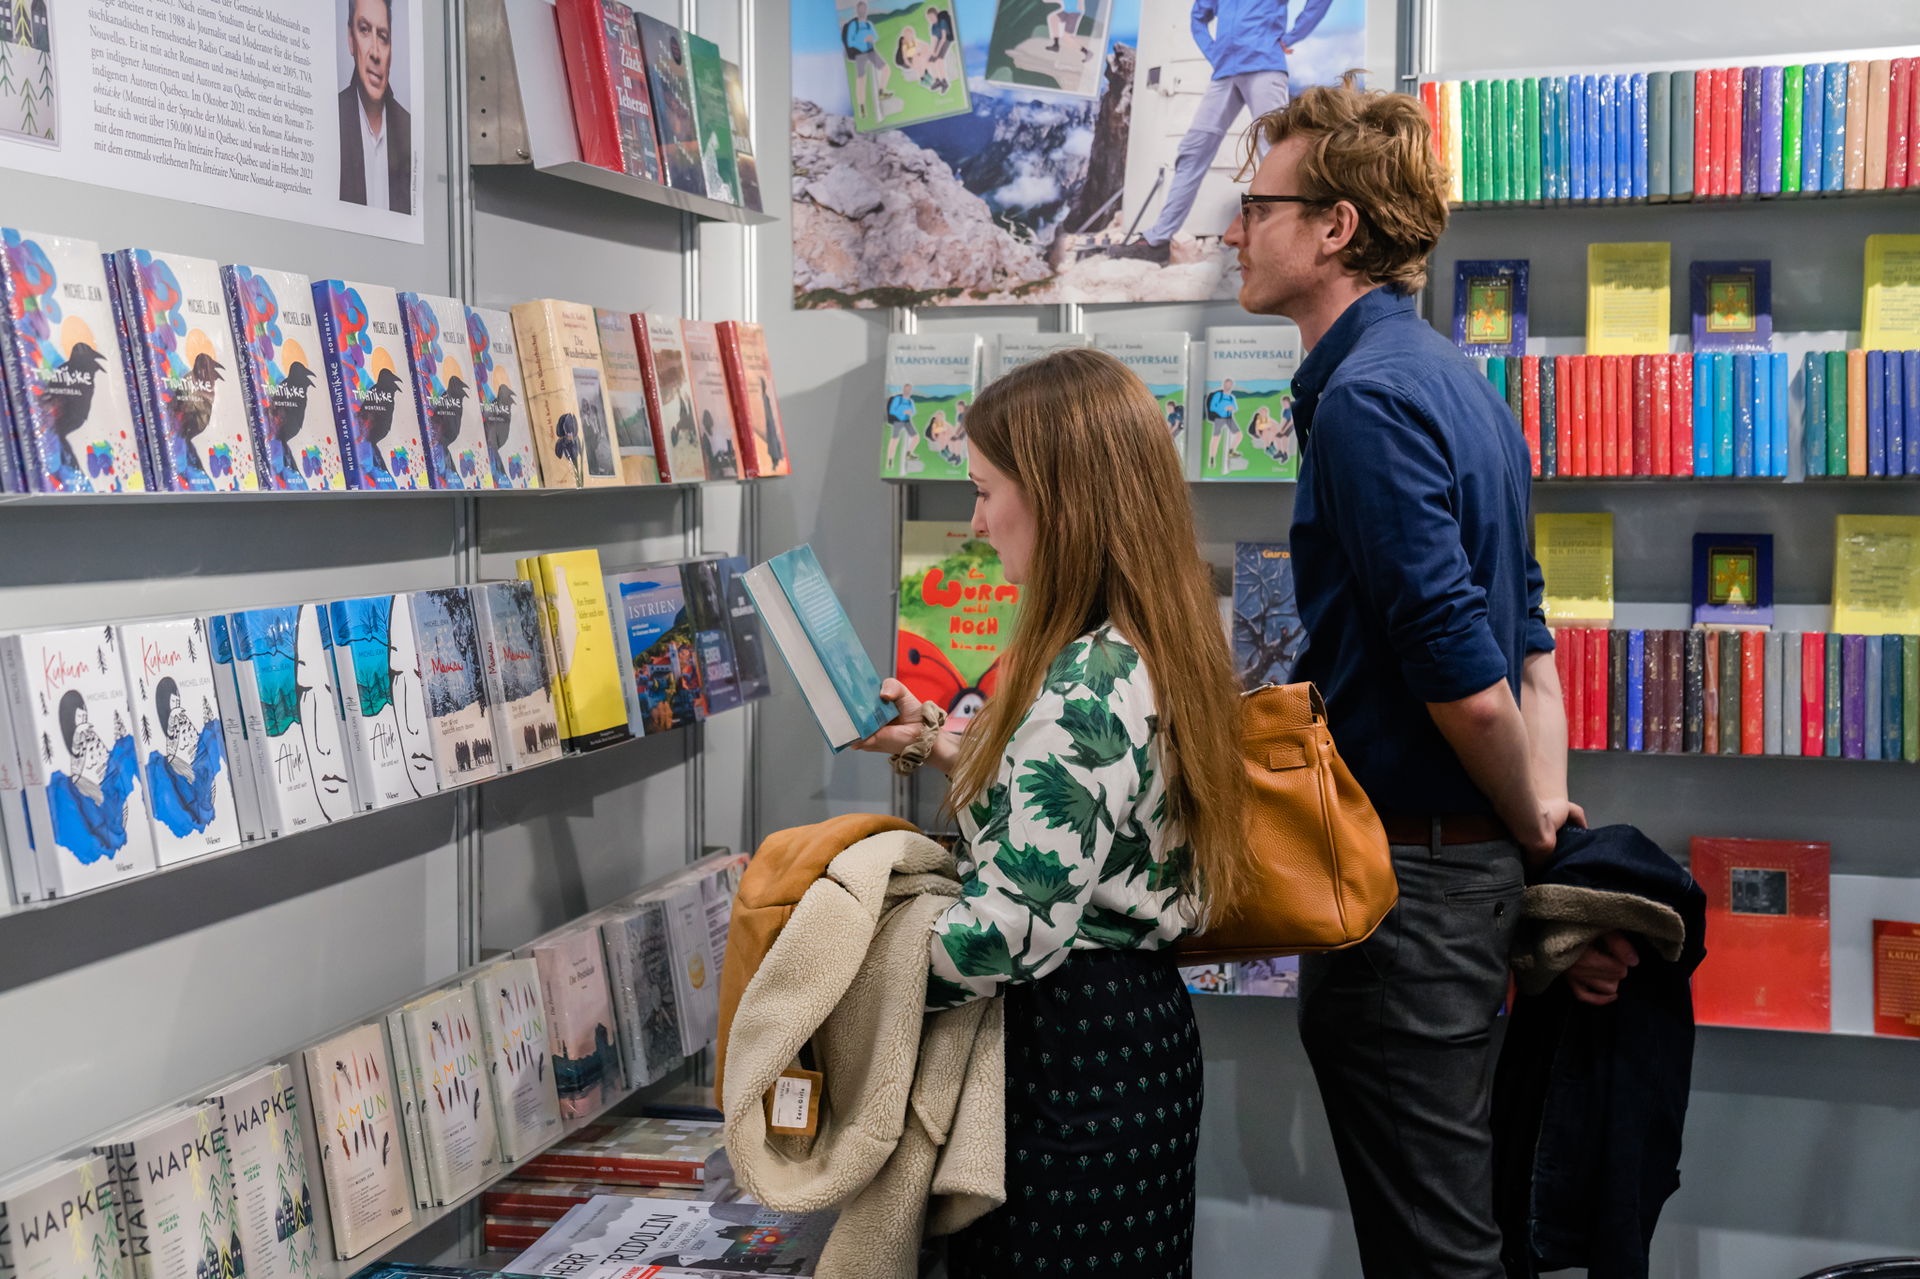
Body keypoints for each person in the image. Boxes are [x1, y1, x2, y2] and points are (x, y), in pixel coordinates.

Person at [1221, 77, 1627, 1277]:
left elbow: (1465, 671)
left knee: (1437, 1251)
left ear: (1335, 226)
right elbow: (1532, 637)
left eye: (1256, 206)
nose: (1235, 231)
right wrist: (1539, 817)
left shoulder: (1365, 402)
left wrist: (1531, 830)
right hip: (1455, 869)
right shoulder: (1454, 380)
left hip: (1408, 885)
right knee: (1456, 1218)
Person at [853, 347, 1249, 1279]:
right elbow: (1097, 805)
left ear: (1063, 497)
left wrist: (857, 971)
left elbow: (1010, 933)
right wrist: (937, 743)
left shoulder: (1085, 682)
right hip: (1131, 1047)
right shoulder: (1149, 635)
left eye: (989, 491)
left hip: (1067, 1067)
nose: (977, 521)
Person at [1109, 0, 1332, 264]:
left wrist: (1293, 35)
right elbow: (1198, 16)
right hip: (1225, 72)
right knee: (1193, 150)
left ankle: (1292, 239)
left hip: (1264, 65)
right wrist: (1215, 52)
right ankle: (1158, 239)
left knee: (1274, 153)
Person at [339, 0, 412, 214]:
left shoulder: (408, 129)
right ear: (351, 39)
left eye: (382, 36)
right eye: (364, 30)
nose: (375, 53)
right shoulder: (333, 120)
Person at [840, 1, 893, 124]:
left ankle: (881, 92)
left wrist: (871, 38)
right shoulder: (853, 25)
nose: (863, 11)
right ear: (857, 10)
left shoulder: (869, 24)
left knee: (886, 69)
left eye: (864, 8)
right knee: (861, 80)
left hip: (871, 51)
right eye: (861, 9)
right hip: (860, 53)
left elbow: (876, 37)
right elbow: (850, 42)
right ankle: (862, 106)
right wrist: (862, 40)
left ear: (867, 10)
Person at [1204, 376, 1241, 472]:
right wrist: (1223, 409)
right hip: (1219, 418)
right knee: (1216, 438)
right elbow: (1212, 407)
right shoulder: (1218, 395)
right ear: (1223, 385)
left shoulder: (1232, 397)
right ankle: (1212, 458)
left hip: (1229, 418)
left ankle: (1231, 450)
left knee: (1239, 435)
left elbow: (1235, 407)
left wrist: (1231, 408)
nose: (1227, 386)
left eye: (1229, 385)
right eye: (1226, 384)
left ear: (1232, 386)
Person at [883, 381, 919, 475]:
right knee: (894, 441)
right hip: (898, 421)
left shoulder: (911, 401)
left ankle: (908, 453)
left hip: (907, 421)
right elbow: (892, 411)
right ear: (903, 389)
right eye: (906, 389)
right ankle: (890, 460)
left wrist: (910, 412)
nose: (907, 391)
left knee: (916, 438)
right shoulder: (897, 399)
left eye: (909, 389)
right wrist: (903, 412)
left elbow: (914, 411)